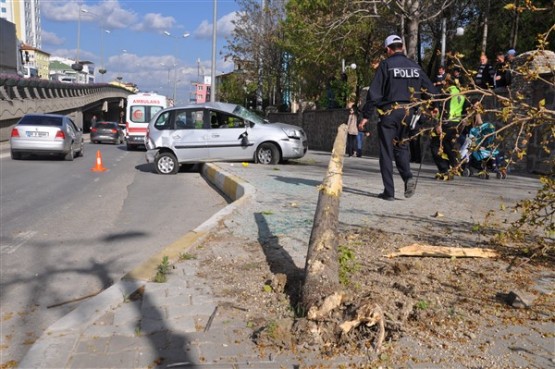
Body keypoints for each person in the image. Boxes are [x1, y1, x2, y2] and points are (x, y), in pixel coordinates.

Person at [359, 34, 437, 201]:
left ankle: (389, 192)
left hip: (390, 112)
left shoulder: (386, 65)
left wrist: (365, 116)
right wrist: (433, 107)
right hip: (409, 114)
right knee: (401, 147)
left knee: (387, 152)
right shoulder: (415, 66)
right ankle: (408, 177)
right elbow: (430, 89)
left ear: (388, 49)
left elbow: (374, 93)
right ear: (401, 47)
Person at [430, 74, 470, 180]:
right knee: (447, 146)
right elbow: (466, 111)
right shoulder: (462, 94)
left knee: (435, 146)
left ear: (448, 82)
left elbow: (444, 109)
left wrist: (438, 124)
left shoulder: (448, 92)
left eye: (444, 82)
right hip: (456, 123)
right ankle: (455, 165)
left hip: (446, 122)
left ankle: (444, 170)